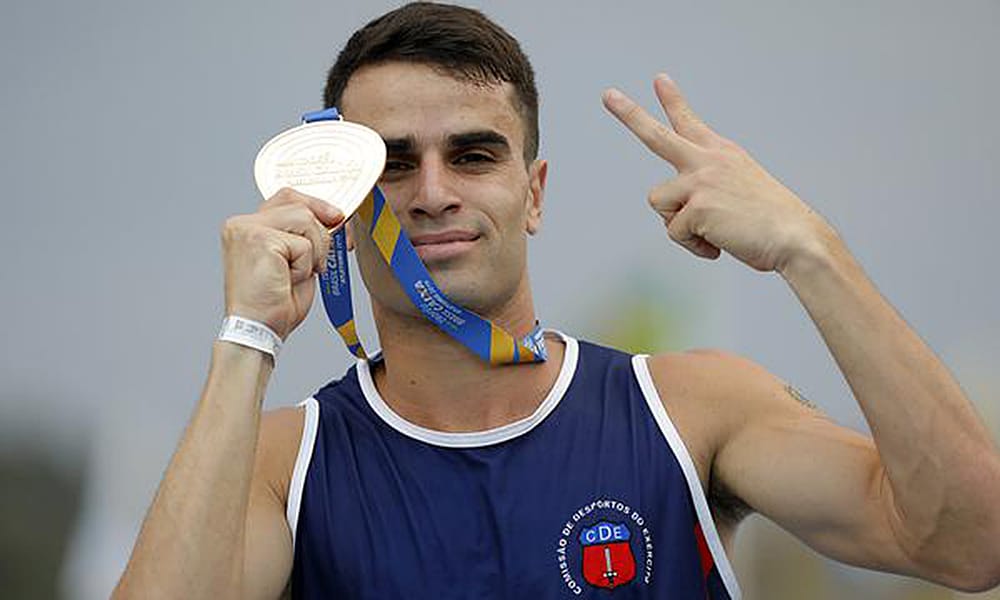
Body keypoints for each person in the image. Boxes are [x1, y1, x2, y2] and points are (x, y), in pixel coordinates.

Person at [112, 3, 1000, 598]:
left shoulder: (691, 410)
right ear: (338, 203)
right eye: (389, 164)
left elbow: (970, 542)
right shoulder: (281, 464)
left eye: (472, 155)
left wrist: (812, 248)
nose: (430, 193)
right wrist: (246, 337)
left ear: (533, 193)